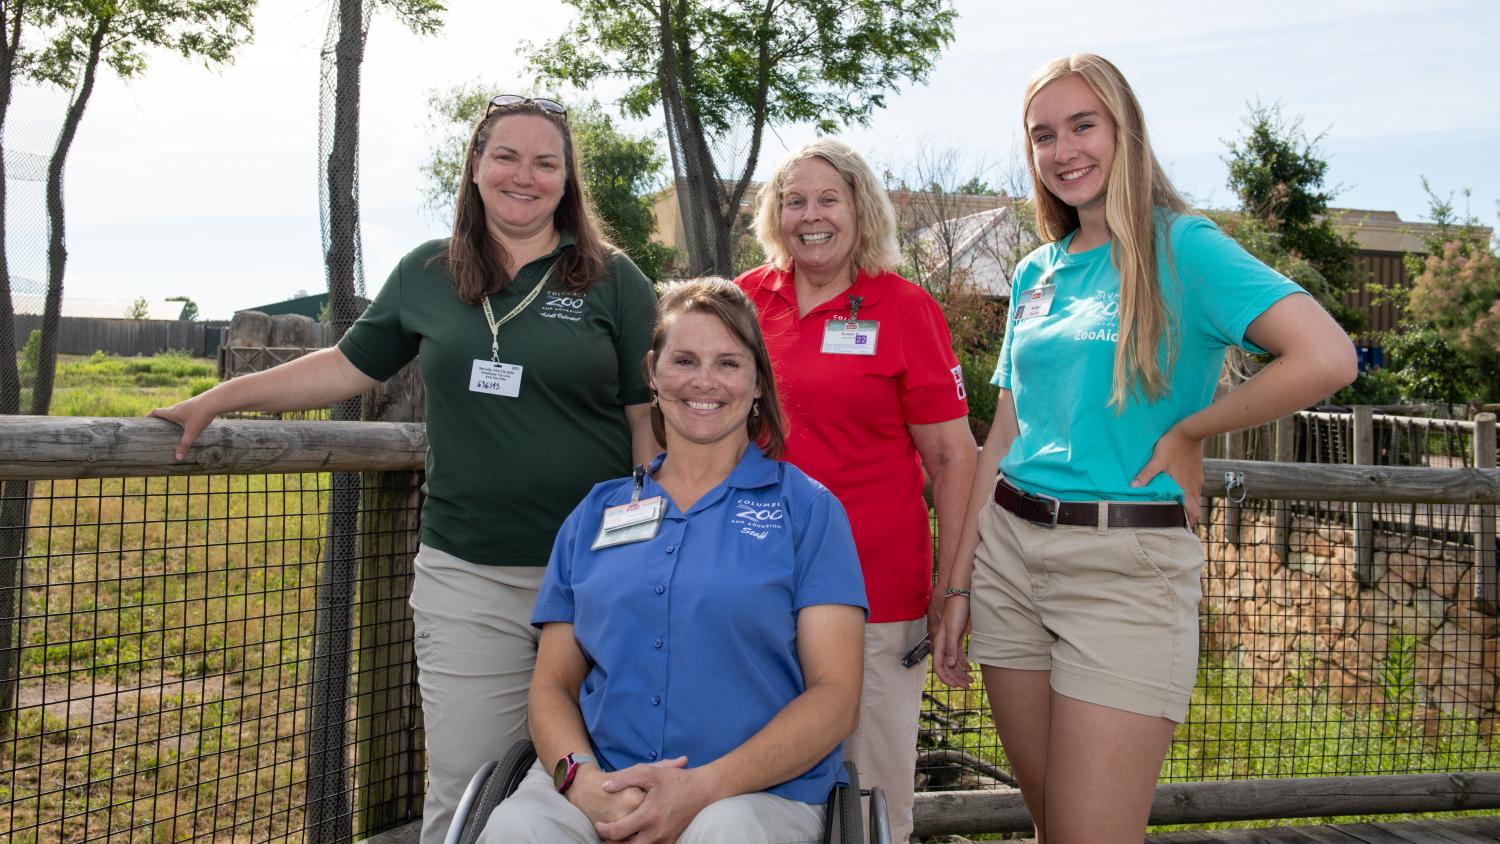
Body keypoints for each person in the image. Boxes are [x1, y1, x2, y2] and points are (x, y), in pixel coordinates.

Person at [149, 95, 659, 844]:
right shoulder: (428, 272)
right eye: (507, 157)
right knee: (467, 783)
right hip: (469, 574)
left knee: (606, 775)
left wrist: (650, 553)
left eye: (546, 162)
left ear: (568, 178)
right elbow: (345, 365)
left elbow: (647, 421)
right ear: (476, 169)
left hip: (597, 577)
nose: (526, 175)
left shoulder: (613, 280)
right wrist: (222, 398)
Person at [932, 54, 1357, 844]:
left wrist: (1193, 431)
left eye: (1083, 125)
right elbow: (1001, 438)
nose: (1064, 151)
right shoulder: (1035, 273)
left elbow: (1326, 357)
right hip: (1008, 556)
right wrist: (956, 585)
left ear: (1125, 130)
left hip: (1122, 569)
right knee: (1053, 827)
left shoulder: (1184, 247)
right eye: (1043, 136)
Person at [485, 277, 866, 843]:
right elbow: (552, 687)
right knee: (518, 829)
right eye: (684, 360)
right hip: (600, 784)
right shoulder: (594, 515)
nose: (704, 381)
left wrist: (704, 788)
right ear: (653, 376)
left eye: (728, 363)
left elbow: (836, 697)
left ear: (758, 381)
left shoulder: (809, 512)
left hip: (752, 794)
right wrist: (583, 783)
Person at [737, 138, 978, 842]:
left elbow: (953, 459)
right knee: (755, 788)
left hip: (875, 594)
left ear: (860, 210)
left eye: (827, 199)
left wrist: (953, 587)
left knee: (869, 795)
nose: (810, 216)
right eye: (794, 201)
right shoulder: (745, 301)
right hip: (754, 589)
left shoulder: (905, 310)